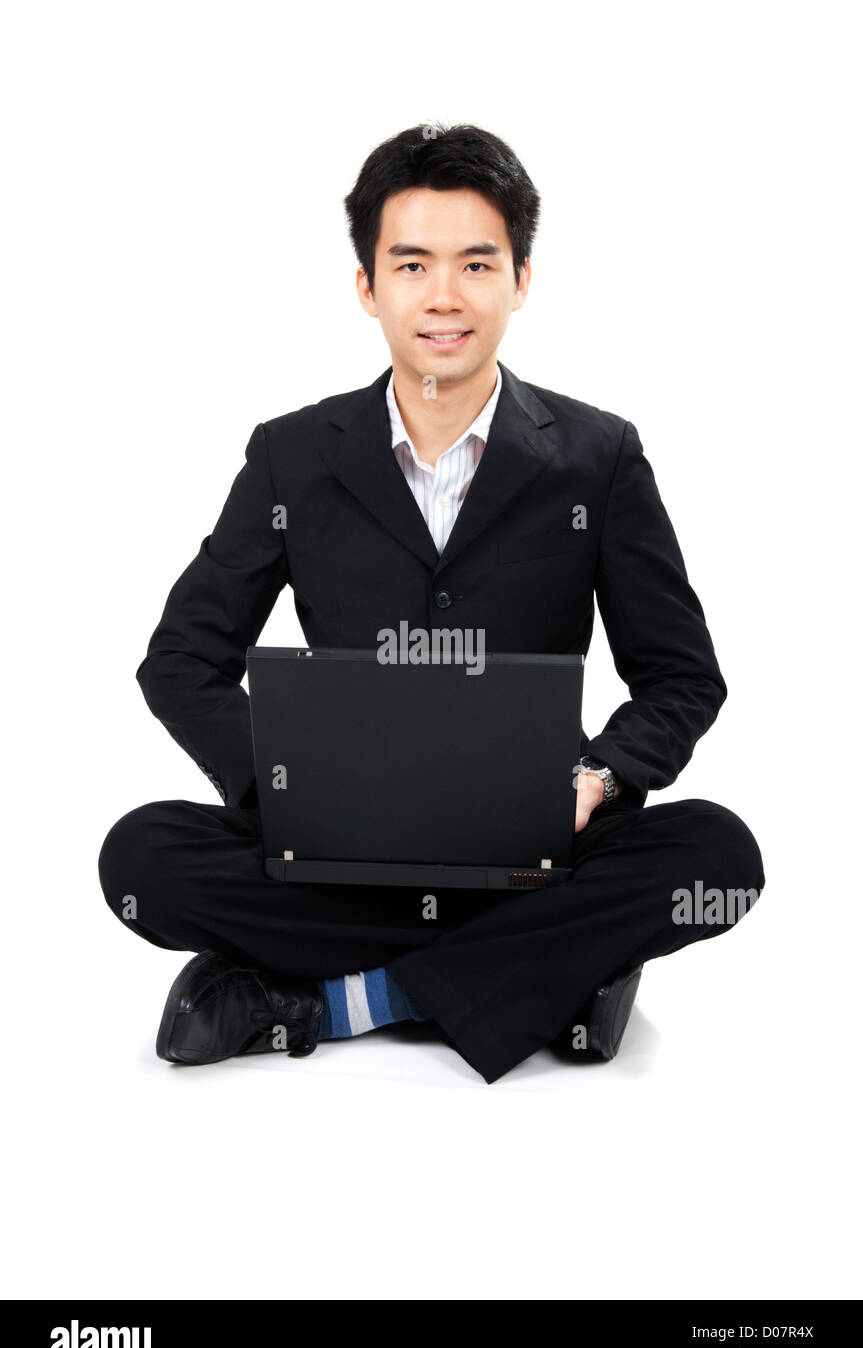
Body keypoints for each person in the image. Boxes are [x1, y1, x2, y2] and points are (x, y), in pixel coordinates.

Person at [97, 122, 765, 1085]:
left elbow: (679, 676)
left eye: (476, 264)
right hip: (341, 850)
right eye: (411, 264)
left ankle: (337, 1000)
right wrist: (287, 787)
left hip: (535, 844)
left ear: (520, 279)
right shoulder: (292, 453)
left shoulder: (598, 456)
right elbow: (180, 660)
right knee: (140, 858)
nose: (443, 296)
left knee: (719, 857)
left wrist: (596, 780)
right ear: (367, 286)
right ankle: (551, 971)